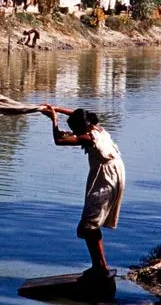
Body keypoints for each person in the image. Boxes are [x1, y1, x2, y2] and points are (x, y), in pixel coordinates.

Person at [41, 105, 126, 278]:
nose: (73, 132)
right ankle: (100, 266)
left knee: (89, 226)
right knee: (90, 225)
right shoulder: (97, 127)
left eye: (74, 129)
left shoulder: (88, 138)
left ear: (82, 127)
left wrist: (53, 120)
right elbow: (77, 114)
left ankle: (100, 268)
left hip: (107, 178)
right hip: (115, 172)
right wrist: (55, 108)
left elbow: (59, 140)